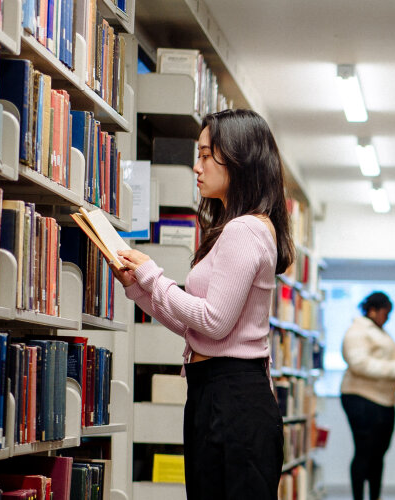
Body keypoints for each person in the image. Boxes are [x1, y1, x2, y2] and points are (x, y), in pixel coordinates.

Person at [110, 109, 294, 499]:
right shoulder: (239, 226)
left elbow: (213, 322)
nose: (197, 166)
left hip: (233, 400)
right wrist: (140, 289)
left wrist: (153, 275)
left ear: (239, 156)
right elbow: (199, 329)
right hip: (215, 393)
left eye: (207, 155)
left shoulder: (243, 230)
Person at [341, 292, 395, 500]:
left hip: (383, 399)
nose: (386, 318)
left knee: (378, 454)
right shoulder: (358, 331)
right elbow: (359, 364)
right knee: (364, 451)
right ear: (373, 310)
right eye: (385, 313)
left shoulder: (378, 331)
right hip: (362, 397)